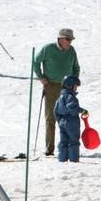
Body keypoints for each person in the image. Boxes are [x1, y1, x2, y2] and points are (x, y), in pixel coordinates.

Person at [34, 28, 80, 157]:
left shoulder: (71, 51)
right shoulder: (48, 49)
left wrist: (75, 82)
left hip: (68, 88)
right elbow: (36, 62)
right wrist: (41, 77)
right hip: (51, 85)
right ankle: (50, 148)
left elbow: (76, 67)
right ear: (60, 38)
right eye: (67, 39)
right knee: (51, 117)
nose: (70, 42)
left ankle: (69, 147)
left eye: (71, 39)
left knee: (69, 117)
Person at [53, 75, 88, 163]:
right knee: (73, 141)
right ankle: (73, 160)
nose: (76, 89)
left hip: (62, 122)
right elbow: (71, 108)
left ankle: (62, 159)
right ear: (69, 85)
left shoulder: (60, 98)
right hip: (71, 122)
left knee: (63, 141)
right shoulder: (71, 97)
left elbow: (55, 111)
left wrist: (60, 121)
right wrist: (82, 110)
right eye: (75, 86)